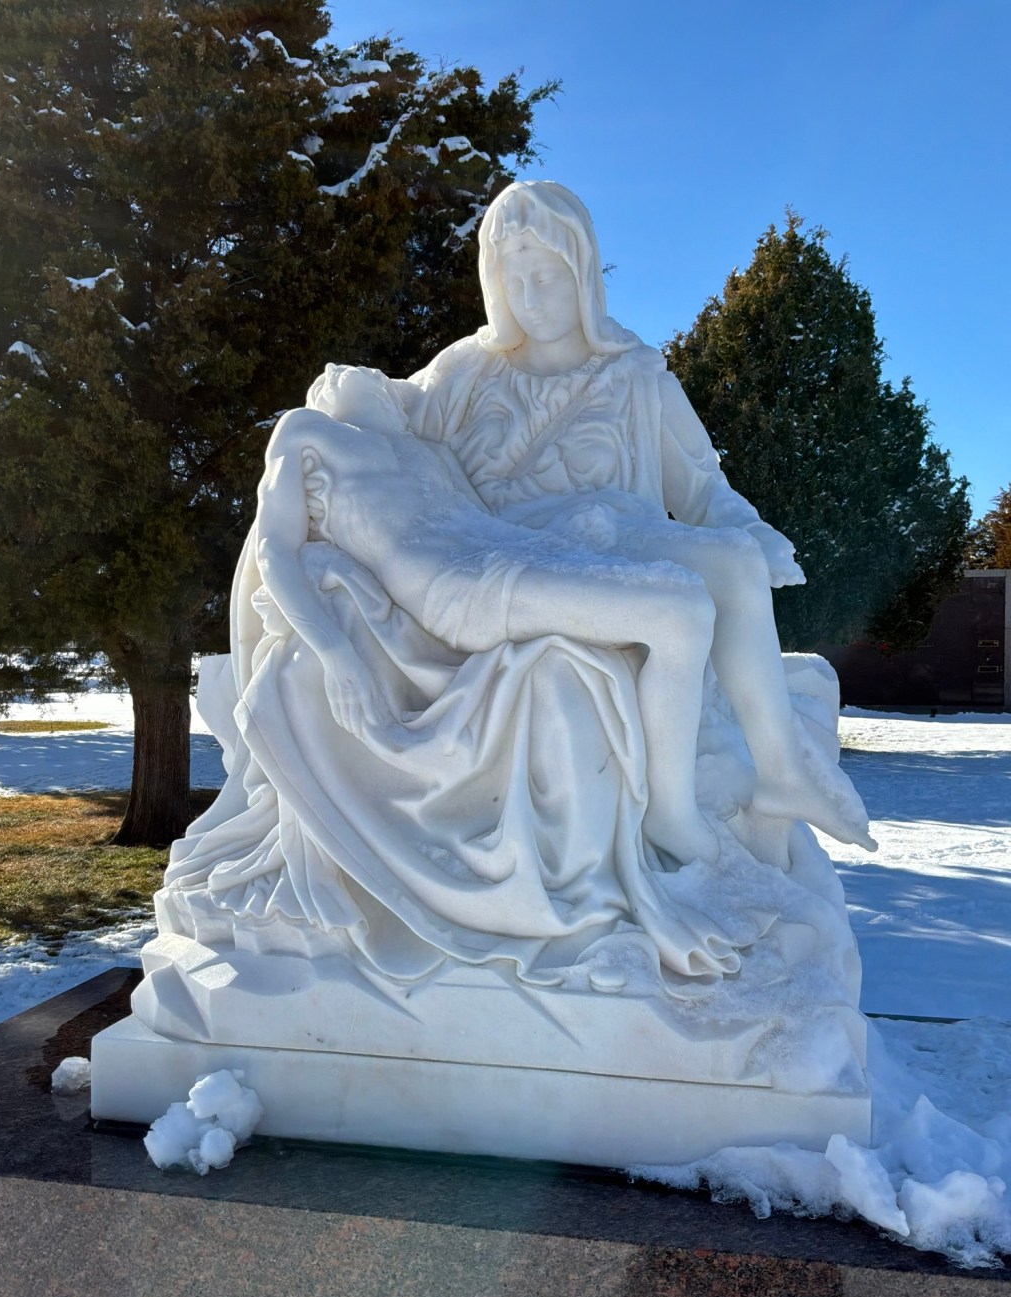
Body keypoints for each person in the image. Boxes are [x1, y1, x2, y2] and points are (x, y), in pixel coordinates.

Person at [154, 180, 872, 986]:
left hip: (613, 542)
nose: (533, 299)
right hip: (518, 556)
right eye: (515, 281)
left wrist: (747, 529)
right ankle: (681, 813)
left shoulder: (638, 376)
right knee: (662, 611)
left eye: (549, 278)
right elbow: (385, 421)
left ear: (585, 272)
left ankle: (778, 767)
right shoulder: (466, 371)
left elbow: (702, 489)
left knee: (733, 565)